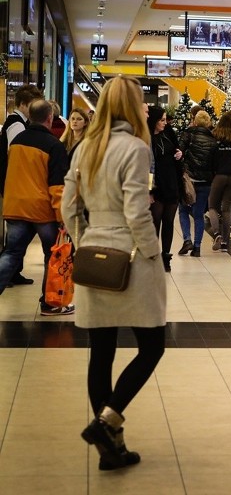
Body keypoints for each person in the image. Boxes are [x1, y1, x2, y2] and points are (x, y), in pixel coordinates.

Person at [62, 74, 166, 471]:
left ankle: (112, 447)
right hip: (131, 254)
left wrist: (82, 240)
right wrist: (153, 253)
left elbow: (68, 206)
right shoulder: (135, 148)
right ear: (131, 106)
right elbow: (137, 210)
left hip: (94, 254)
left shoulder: (84, 147)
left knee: (100, 351)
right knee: (152, 344)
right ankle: (108, 423)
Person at [0, 99, 71, 315]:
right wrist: (62, 216)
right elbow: (57, 185)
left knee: (11, 254)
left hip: (16, 206)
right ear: (50, 118)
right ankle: (50, 303)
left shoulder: (17, 141)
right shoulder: (54, 145)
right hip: (42, 210)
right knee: (52, 256)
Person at [0, 84, 44, 284]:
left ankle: (13, 273)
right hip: (14, 185)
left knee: (15, 240)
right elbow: (17, 155)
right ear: (24, 104)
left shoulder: (17, 122)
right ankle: (9, 274)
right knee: (14, 242)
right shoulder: (17, 124)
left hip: (14, 185)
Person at [147, 106, 183, 272]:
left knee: (168, 222)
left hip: (172, 183)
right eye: (161, 120)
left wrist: (179, 154)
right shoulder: (146, 138)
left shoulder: (168, 133)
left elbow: (177, 149)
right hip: (156, 185)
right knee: (155, 222)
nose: (164, 123)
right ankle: (152, 257)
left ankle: (166, 256)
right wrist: (149, 191)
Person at [177, 110, 216, 257]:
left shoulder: (188, 134)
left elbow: (179, 152)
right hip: (205, 182)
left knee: (183, 210)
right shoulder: (213, 140)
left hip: (189, 180)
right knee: (198, 214)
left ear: (194, 121)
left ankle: (187, 239)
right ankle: (197, 247)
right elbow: (214, 163)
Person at [208, 111, 231, 253]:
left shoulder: (216, 136)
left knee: (212, 206)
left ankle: (216, 234)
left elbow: (211, 157)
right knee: (227, 208)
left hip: (219, 175)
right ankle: (225, 242)